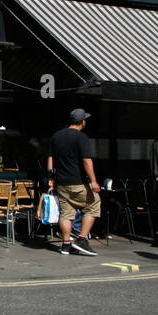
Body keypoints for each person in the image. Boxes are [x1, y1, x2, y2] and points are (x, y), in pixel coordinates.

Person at [46, 108, 100, 256]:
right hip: (78, 181)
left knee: (66, 214)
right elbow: (86, 161)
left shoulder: (57, 136)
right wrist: (94, 181)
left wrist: (51, 177)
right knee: (94, 205)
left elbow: (50, 157)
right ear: (82, 122)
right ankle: (82, 239)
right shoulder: (81, 137)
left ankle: (66, 245)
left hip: (61, 182)